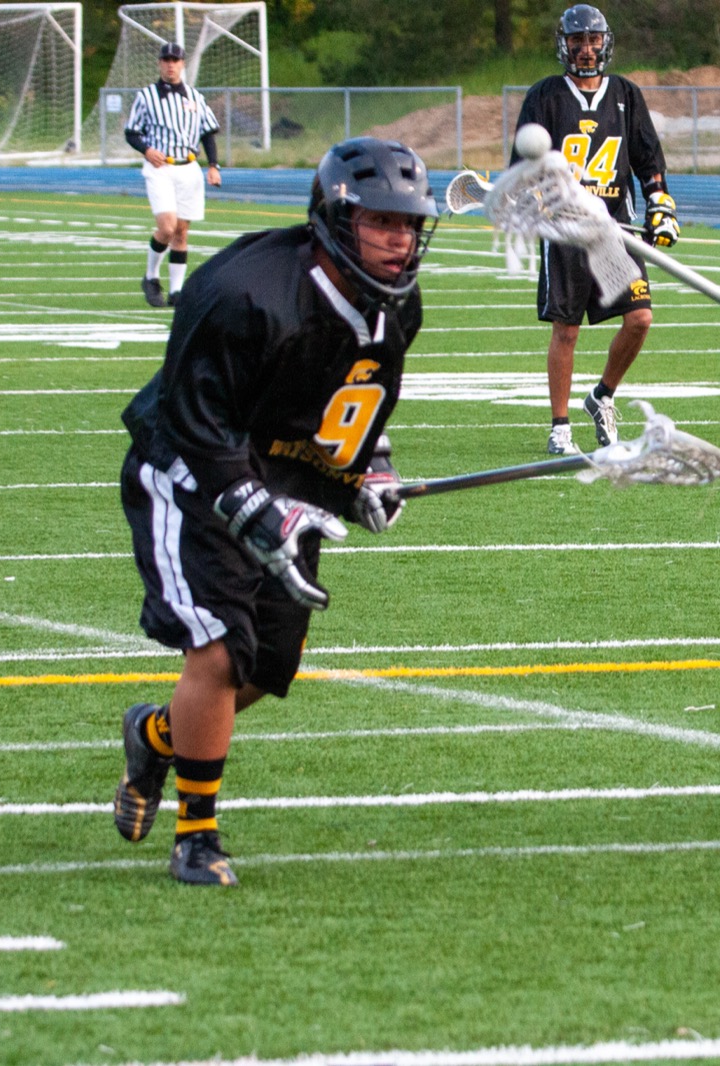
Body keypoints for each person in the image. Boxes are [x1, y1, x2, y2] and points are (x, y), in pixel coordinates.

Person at [112, 137, 436, 886]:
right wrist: (251, 504)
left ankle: (157, 735)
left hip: (285, 467)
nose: (399, 240)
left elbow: (355, 400)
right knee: (222, 647)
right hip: (191, 463)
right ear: (335, 218)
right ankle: (196, 835)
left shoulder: (396, 306)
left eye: (409, 224)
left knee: (266, 664)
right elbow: (194, 420)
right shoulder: (242, 292)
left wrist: (368, 472)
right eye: (382, 221)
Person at [512, 4, 679, 455]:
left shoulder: (625, 94)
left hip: (614, 230)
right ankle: (560, 426)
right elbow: (523, 168)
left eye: (593, 40)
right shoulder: (545, 96)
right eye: (577, 41)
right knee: (566, 330)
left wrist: (659, 205)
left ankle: (602, 396)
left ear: (605, 43)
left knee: (640, 318)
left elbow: (648, 160)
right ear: (564, 45)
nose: (586, 49)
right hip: (565, 232)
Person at [124, 41, 222, 308]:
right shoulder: (147, 96)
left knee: (181, 232)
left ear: (182, 64)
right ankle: (151, 277)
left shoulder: (195, 97)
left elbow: (207, 132)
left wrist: (213, 165)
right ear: (159, 63)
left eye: (175, 60)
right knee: (167, 227)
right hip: (160, 168)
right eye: (166, 60)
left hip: (188, 167)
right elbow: (132, 132)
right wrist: (147, 150)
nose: (170, 65)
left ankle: (177, 291)